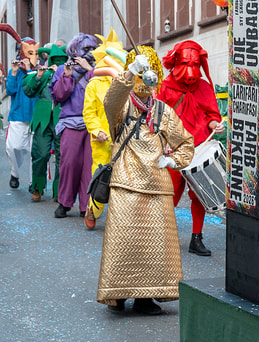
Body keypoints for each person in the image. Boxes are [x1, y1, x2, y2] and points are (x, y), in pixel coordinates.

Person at [96, 47, 194, 315]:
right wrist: (129, 72)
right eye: (140, 74)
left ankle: (145, 297)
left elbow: (185, 142)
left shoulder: (163, 110)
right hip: (126, 183)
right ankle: (118, 294)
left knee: (154, 249)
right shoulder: (122, 108)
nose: (144, 81)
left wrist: (174, 161)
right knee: (124, 244)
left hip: (157, 186)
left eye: (148, 74)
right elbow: (110, 101)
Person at [157, 40, 224, 256]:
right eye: (186, 63)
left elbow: (211, 115)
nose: (190, 70)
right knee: (170, 194)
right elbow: (158, 118)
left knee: (199, 194)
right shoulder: (166, 87)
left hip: (200, 147)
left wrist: (215, 124)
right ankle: (162, 237)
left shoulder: (204, 87)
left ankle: (196, 238)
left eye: (195, 64)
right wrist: (164, 140)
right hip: (174, 150)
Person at [83, 30, 127, 229]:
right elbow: (89, 113)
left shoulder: (128, 82)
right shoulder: (94, 85)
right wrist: (97, 131)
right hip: (103, 141)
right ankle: (93, 209)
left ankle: (121, 218)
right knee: (102, 177)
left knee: (124, 179)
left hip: (125, 139)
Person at [51, 32, 98, 218]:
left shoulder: (98, 69)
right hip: (71, 122)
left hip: (93, 124)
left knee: (90, 167)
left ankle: (86, 206)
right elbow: (59, 96)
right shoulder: (62, 70)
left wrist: (90, 71)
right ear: (75, 49)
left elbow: (104, 94)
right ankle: (64, 202)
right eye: (85, 48)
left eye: (93, 48)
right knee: (69, 164)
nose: (89, 52)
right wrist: (67, 76)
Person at [23, 43, 67, 201]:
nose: (58, 63)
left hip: (63, 120)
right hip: (43, 120)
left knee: (63, 157)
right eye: (56, 59)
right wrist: (39, 76)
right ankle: (37, 187)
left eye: (61, 60)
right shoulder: (44, 75)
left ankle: (59, 192)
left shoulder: (69, 75)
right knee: (40, 154)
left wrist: (62, 74)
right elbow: (28, 91)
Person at [5, 37, 37, 191]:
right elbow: (10, 90)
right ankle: (14, 173)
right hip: (18, 115)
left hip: (35, 117)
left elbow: (35, 88)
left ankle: (33, 182)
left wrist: (30, 70)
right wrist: (14, 72)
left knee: (34, 152)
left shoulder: (39, 70)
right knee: (13, 147)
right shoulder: (15, 71)